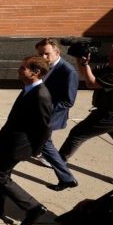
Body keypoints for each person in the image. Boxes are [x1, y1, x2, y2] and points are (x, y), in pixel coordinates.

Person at [0, 56, 52, 225]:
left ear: (35, 72)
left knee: (0, 176)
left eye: (23, 68)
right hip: (8, 140)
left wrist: (37, 150)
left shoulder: (41, 95)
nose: (19, 70)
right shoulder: (28, 88)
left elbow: (45, 127)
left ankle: (34, 207)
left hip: (18, 145)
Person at [60, 40, 113, 182]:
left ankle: (57, 161)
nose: (109, 57)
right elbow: (88, 75)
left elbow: (92, 84)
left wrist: (84, 64)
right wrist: (81, 59)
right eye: (110, 53)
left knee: (77, 134)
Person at [35, 38, 79, 190]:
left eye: (46, 54)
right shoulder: (42, 66)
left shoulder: (68, 71)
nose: (43, 58)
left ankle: (66, 178)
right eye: (40, 54)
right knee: (44, 144)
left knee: (46, 145)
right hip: (38, 113)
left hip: (49, 117)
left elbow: (68, 101)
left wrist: (46, 112)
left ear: (57, 52)